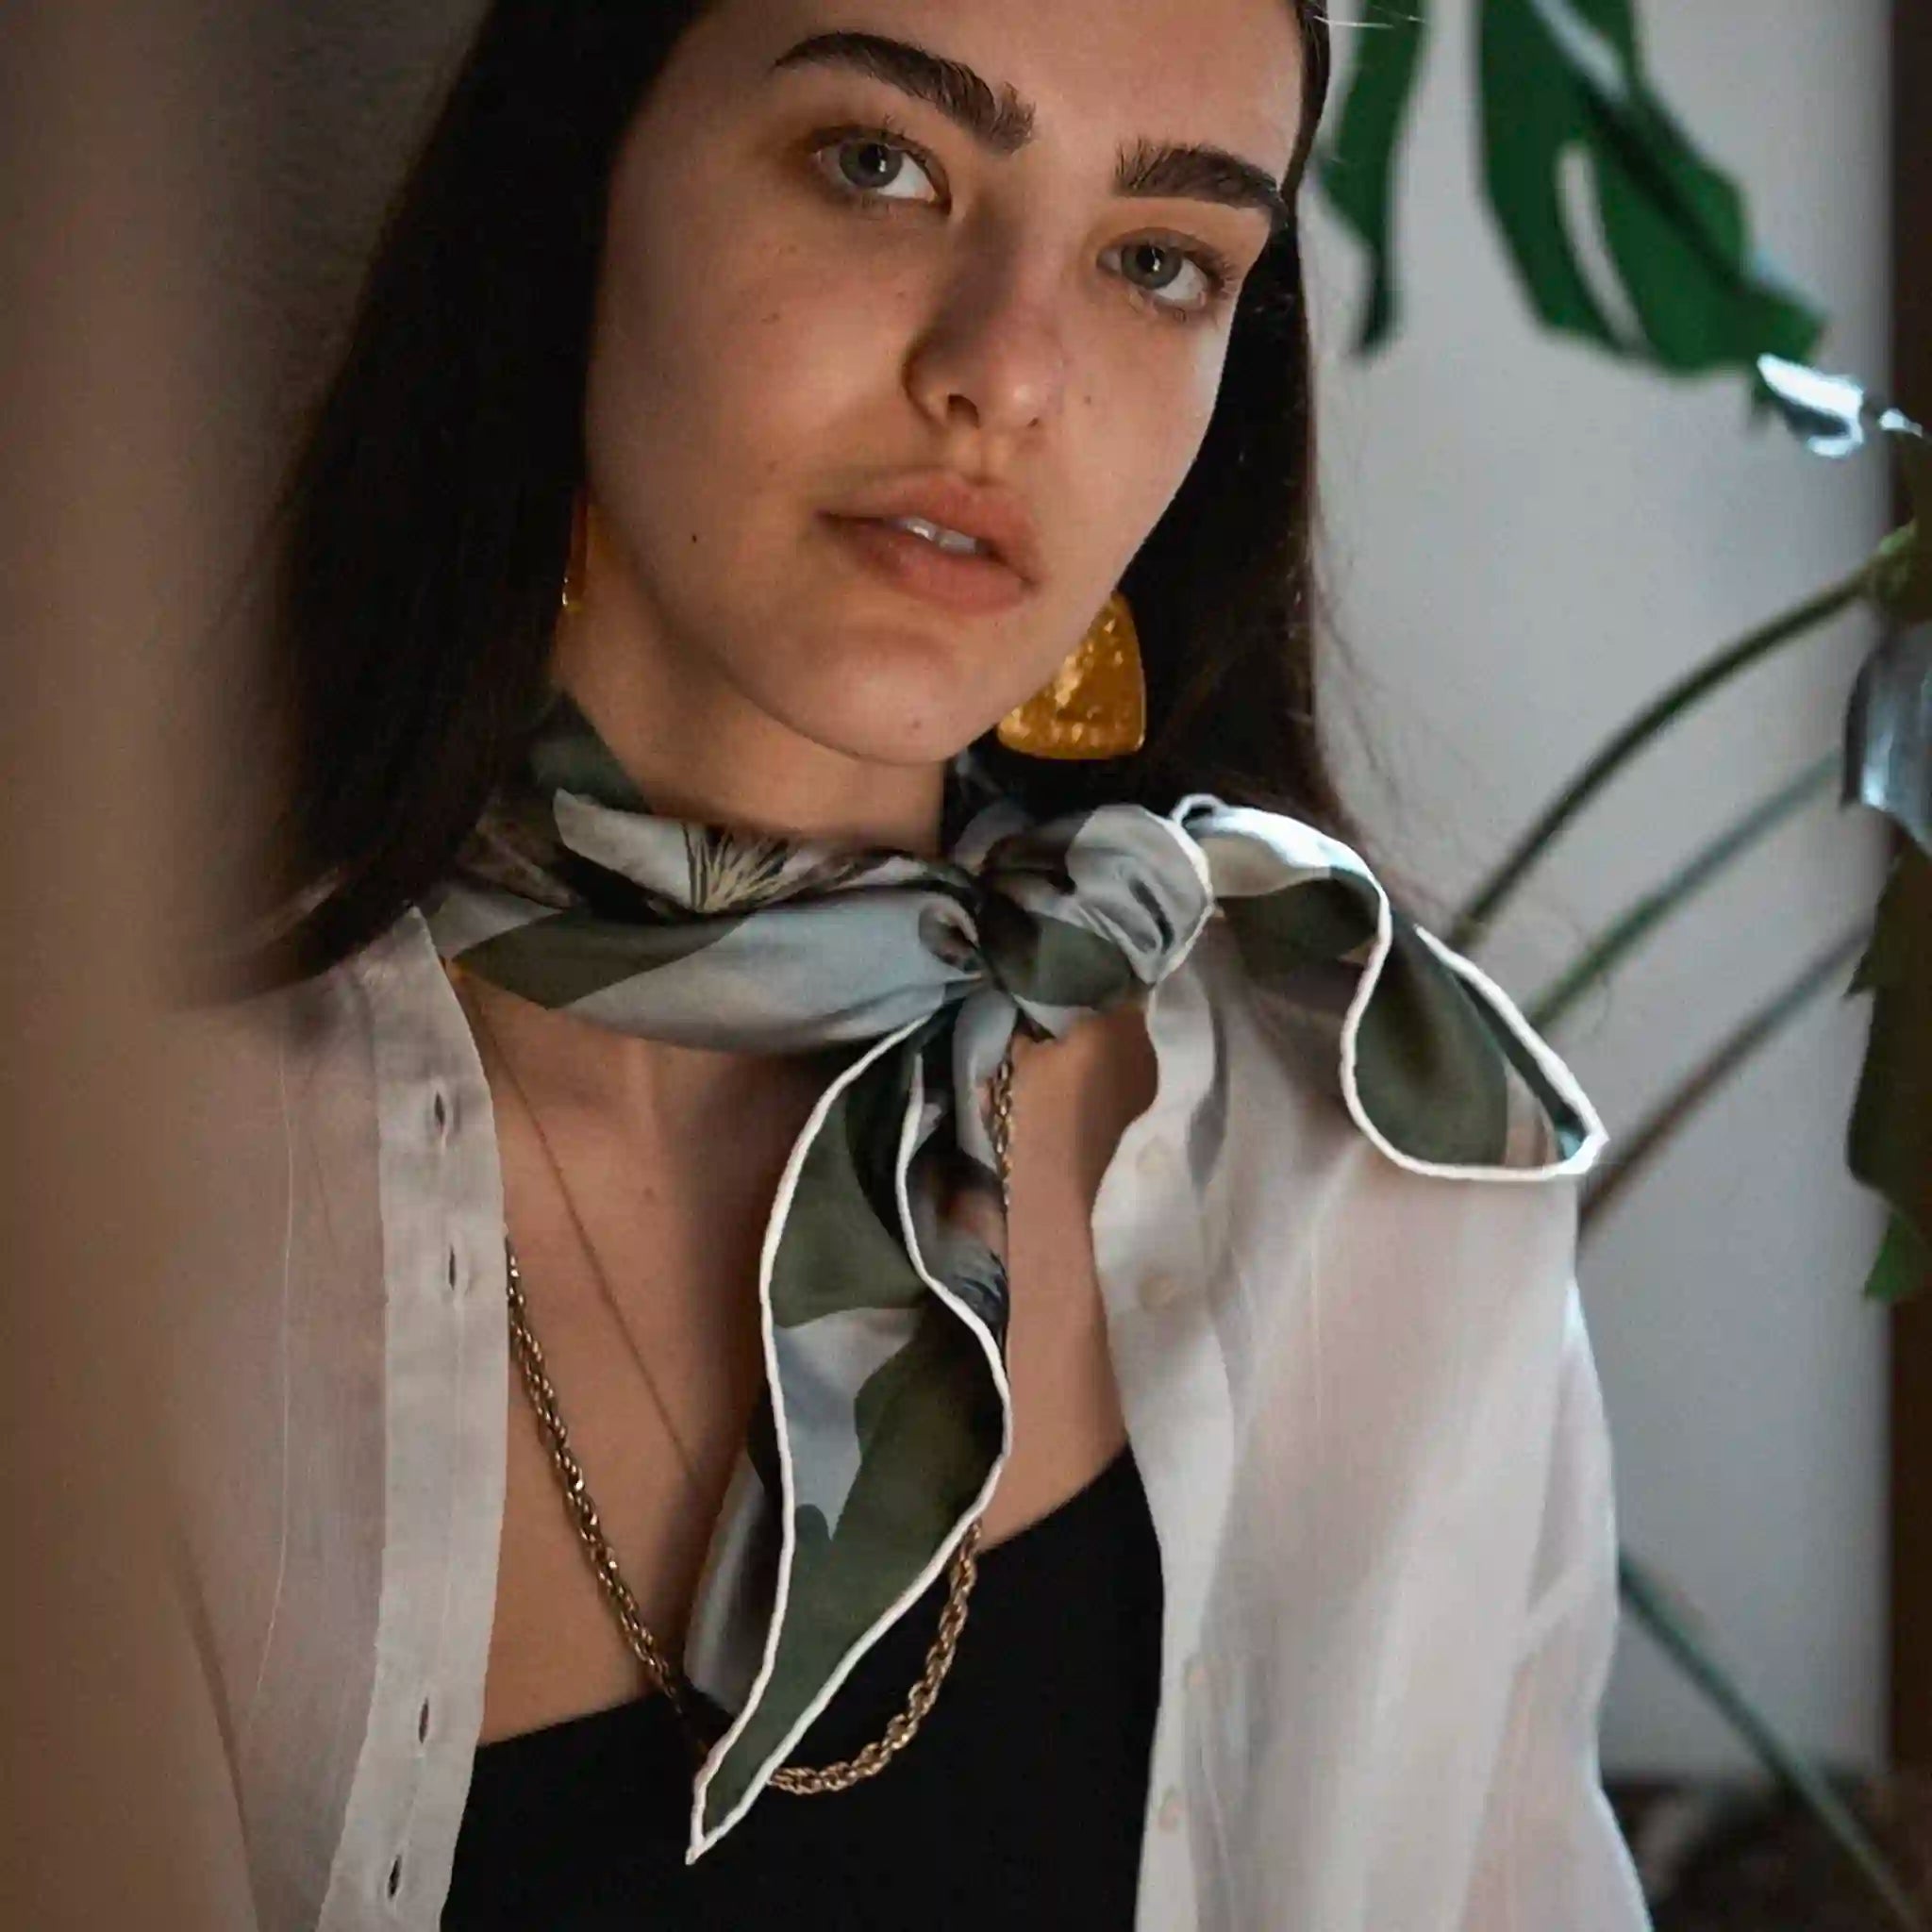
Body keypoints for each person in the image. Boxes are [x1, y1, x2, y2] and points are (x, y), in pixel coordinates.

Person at [181, 0, 1656, 1926]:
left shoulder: (1369, 1160)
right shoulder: (138, 1207)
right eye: (879, 164)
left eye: (1158, 261)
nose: (1008, 374)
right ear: (577, 183)